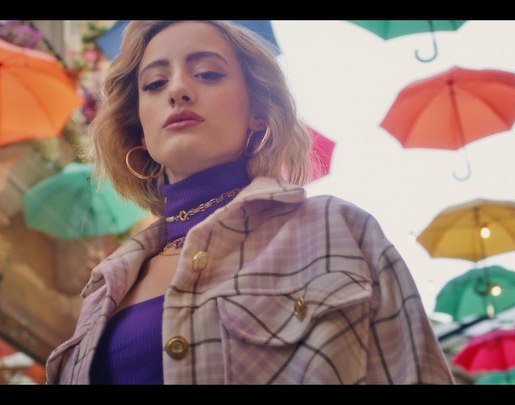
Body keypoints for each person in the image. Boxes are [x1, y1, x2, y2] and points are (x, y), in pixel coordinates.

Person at [45, 20, 454, 384]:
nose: (178, 89)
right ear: (139, 128)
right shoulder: (106, 285)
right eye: (154, 84)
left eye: (207, 74)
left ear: (257, 111)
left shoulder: (338, 230)